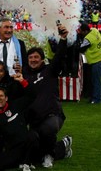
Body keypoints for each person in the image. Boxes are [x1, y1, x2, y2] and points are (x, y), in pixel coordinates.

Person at [22, 24, 71, 168]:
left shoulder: (50, 70)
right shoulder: (25, 74)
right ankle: (63, 146)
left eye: (36, 57)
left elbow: (59, 57)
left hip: (52, 115)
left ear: (42, 59)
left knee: (46, 130)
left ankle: (49, 154)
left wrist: (63, 39)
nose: (33, 60)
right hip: (34, 118)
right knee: (34, 147)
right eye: (30, 57)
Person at [0, 87, 40, 171]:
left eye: (1, 96)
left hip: (27, 143)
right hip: (13, 149)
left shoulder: (16, 104)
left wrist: (22, 81)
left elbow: (32, 95)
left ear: (6, 98)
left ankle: (27, 163)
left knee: (33, 136)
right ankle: (23, 161)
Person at [78, 23, 101, 104]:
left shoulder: (88, 39)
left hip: (96, 60)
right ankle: (97, 95)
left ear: (85, 31)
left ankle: (96, 99)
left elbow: (81, 49)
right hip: (100, 56)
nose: (80, 33)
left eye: (81, 31)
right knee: (97, 79)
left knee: (95, 80)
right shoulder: (95, 30)